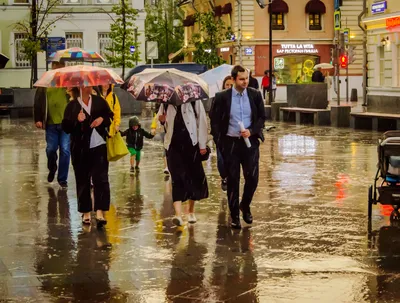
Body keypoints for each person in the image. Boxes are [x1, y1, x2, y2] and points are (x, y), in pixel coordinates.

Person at [210, 65, 266, 229]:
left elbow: (262, 117)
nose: (245, 82)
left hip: (250, 143)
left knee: (253, 178)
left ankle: (245, 205)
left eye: (247, 78)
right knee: (233, 180)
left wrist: (252, 131)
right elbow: (214, 119)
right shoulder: (222, 97)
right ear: (233, 79)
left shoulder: (255, 95)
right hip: (231, 143)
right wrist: (220, 141)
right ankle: (234, 215)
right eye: (241, 79)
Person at [62, 86, 113, 226]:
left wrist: (102, 119)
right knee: (83, 179)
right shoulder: (72, 106)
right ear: (79, 88)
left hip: (99, 144)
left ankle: (100, 212)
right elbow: (66, 127)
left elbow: (110, 116)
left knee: (101, 178)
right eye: (86, 85)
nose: (89, 87)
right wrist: (76, 120)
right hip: (80, 148)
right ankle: (85, 212)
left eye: (90, 84)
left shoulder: (99, 102)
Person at [158, 100, 209, 227]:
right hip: (173, 146)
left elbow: (202, 121)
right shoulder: (165, 102)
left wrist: (202, 144)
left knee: (193, 178)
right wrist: (162, 121)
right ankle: (178, 214)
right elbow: (160, 126)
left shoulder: (194, 100)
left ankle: (191, 211)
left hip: (191, 145)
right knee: (176, 178)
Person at [34, 62, 70, 188]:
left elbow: (75, 99)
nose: (57, 71)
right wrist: (38, 118)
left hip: (65, 124)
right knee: (51, 149)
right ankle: (52, 167)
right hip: (50, 124)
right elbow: (38, 101)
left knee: (65, 150)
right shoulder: (45, 83)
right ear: (52, 69)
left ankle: (62, 179)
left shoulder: (68, 83)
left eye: (60, 68)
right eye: (55, 68)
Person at [211, 75, 234, 191]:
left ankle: (231, 178)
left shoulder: (237, 99)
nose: (229, 87)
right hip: (221, 136)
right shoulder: (218, 98)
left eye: (231, 85)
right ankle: (224, 176)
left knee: (233, 160)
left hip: (234, 136)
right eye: (227, 85)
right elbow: (213, 117)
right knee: (221, 160)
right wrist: (216, 135)